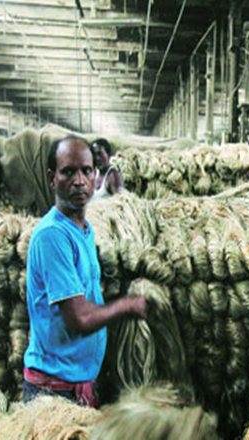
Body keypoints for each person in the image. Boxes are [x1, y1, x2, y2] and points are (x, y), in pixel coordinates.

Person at [22, 135, 147, 407]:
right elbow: (79, 318)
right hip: (55, 390)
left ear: (95, 177)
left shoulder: (84, 230)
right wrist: (128, 305)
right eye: (68, 171)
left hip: (79, 382)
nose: (79, 180)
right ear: (51, 177)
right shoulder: (52, 235)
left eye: (86, 171)